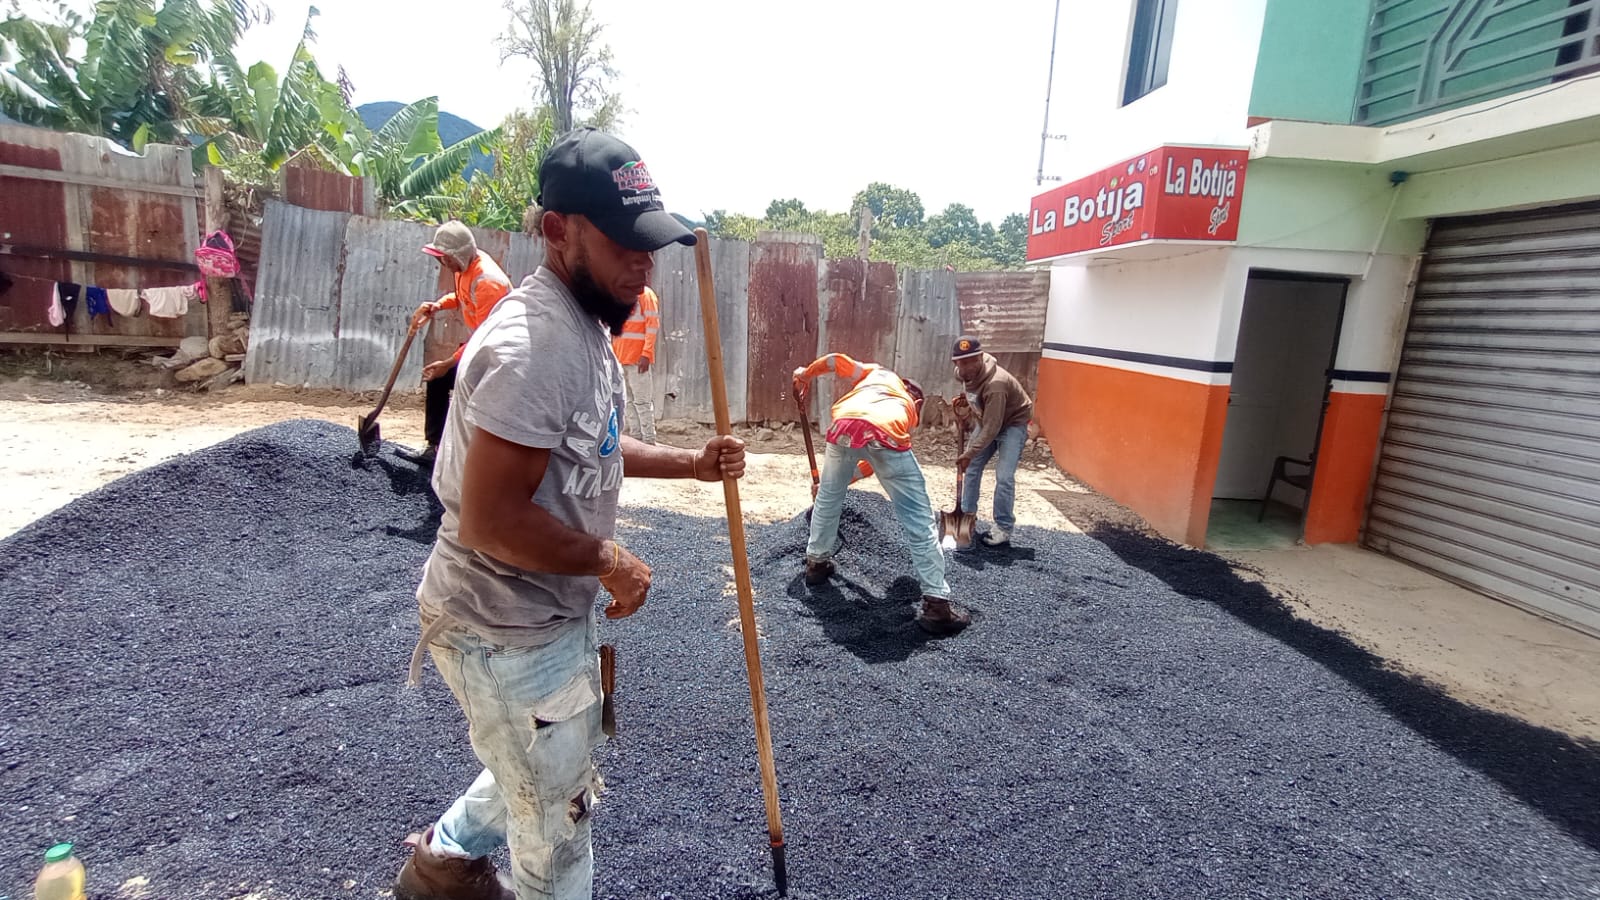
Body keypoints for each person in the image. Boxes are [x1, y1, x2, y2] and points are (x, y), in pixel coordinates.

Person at [394, 128, 747, 900]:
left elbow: (602, 446)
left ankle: (442, 866)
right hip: (502, 630)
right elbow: (490, 519)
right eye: (625, 243)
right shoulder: (534, 346)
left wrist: (691, 462)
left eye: (651, 245)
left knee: (542, 766)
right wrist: (608, 559)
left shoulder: (585, 324)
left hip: (550, 616)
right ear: (558, 231)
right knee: (558, 824)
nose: (644, 263)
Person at [792, 353, 970, 636]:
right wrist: (805, 374)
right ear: (919, 403)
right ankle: (937, 605)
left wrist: (805, 373)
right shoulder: (902, 402)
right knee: (919, 519)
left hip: (842, 427)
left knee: (828, 499)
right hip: (882, 433)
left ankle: (816, 563)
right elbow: (883, 451)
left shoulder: (871, 377)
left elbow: (835, 361)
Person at [400, 220, 514, 467]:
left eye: (444, 257)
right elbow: (462, 297)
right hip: (483, 346)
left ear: (458, 254)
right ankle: (436, 448)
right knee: (440, 380)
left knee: (466, 393)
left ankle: (471, 464)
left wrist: (449, 362)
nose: (442, 263)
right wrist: (437, 306)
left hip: (500, 354)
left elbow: (483, 335)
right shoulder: (465, 268)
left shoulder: (488, 283)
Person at [951, 335, 1034, 547]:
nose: (967, 366)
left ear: (981, 357)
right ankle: (966, 518)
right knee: (972, 468)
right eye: (962, 362)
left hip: (1012, 424)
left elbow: (992, 428)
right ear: (956, 363)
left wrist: (970, 452)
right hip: (988, 417)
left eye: (972, 360)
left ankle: (1003, 527)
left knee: (1004, 476)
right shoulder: (962, 374)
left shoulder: (995, 385)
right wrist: (966, 402)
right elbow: (975, 396)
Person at [611, 286, 660, 443]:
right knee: (628, 401)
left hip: (637, 360)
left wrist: (646, 354)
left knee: (642, 402)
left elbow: (652, 325)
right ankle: (636, 438)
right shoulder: (620, 294)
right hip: (620, 357)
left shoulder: (646, 295)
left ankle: (649, 441)